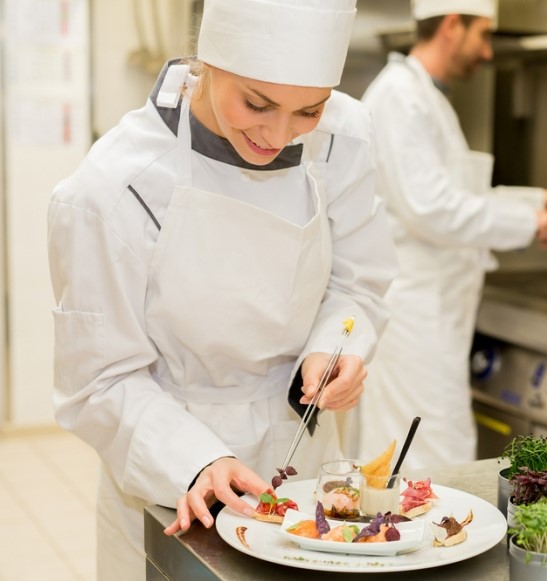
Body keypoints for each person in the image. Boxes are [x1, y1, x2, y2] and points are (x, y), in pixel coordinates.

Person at [47, 1, 396, 578]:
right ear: (206, 61)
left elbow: (359, 281)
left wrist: (337, 347)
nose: (278, 133)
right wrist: (196, 459)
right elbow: (98, 380)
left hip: (303, 453)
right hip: (168, 471)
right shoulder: (110, 190)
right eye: (256, 103)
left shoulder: (343, 137)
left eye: (308, 110)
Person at [357, 0, 547, 470]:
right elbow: (433, 210)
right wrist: (529, 222)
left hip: (438, 314)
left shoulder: (425, 97)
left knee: (430, 453)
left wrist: (540, 201)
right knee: (429, 458)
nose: (486, 52)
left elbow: (452, 194)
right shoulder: (401, 98)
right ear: (450, 26)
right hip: (415, 318)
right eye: (482, 35)